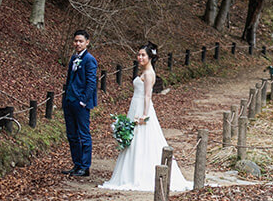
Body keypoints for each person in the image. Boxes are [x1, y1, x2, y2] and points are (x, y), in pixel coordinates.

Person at [100, 43, 191, 192]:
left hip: (142, 109)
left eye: (143, 55)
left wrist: (144, 114)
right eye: (139, 55)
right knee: (133, 140)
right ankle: (130, 172)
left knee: (142, 139)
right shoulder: (144, 72)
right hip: (134, 107)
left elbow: (148, 95)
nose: (140, 57)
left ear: (149, 58)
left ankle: (140, 174)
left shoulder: (149, 74)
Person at [62, 29, 98, 177]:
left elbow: (91, 83)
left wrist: (83, 100)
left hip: (81, 103)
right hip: (69, 101)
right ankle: (76, 164)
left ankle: (85, 166)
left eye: (81, 41)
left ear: (87, 42)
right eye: (76, 41)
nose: (78, 43)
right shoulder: (73, 58)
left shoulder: (90, 59)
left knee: (84, 134)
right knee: (72, 135)